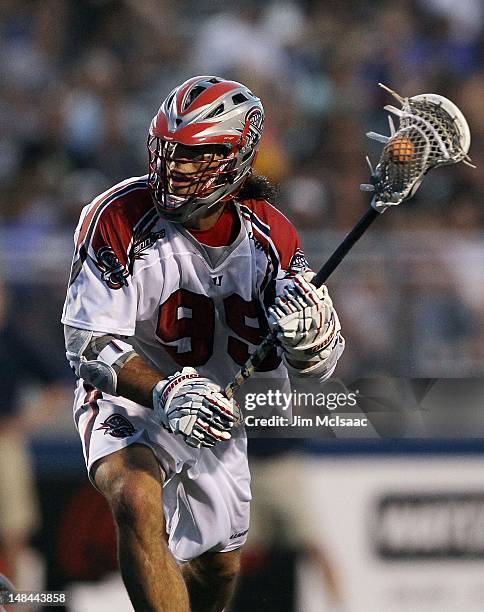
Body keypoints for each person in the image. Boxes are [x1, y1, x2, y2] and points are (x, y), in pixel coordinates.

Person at [61, 75, 345, 612]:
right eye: (169, 152)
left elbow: (317, 360)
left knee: (218, 566)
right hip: (135, 393)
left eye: (194, 156)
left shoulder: (272, 237)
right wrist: (166, 392)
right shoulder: (117, 218)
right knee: (135, 497)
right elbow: (88, 343)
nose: (174, 169)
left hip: (220, 410)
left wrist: (313, 342)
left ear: (236, 157)